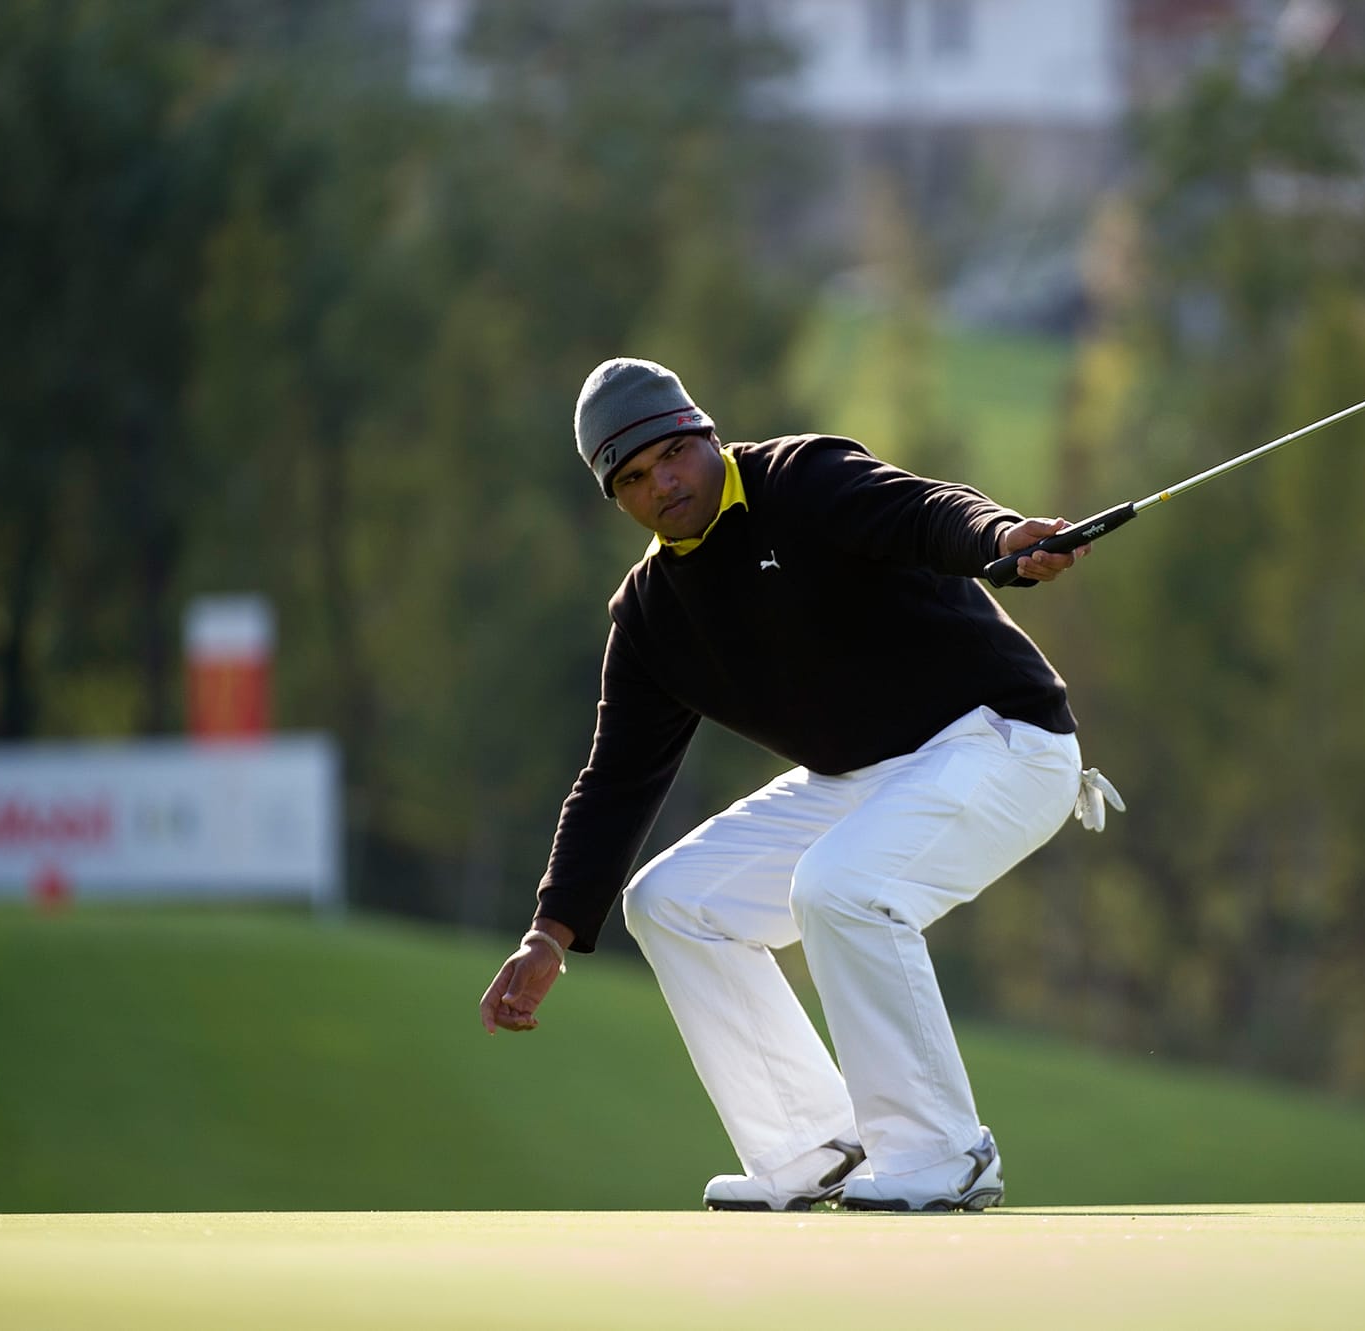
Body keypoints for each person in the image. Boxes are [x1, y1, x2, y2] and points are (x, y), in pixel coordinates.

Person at [478, 357, 1119, 1212]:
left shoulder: (801, 479)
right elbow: (617, 780)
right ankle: (811, 1145)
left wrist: (1001, 539)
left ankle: (947, 1153)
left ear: (703, 432)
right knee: (672, 900)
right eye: (631, 479)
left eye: (670, 454)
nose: (661, 483)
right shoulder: (651, 619)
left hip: (1003, 740)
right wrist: (549, 934)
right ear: (618, 498)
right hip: (864, 777)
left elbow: (922, 511)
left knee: (839, 886)